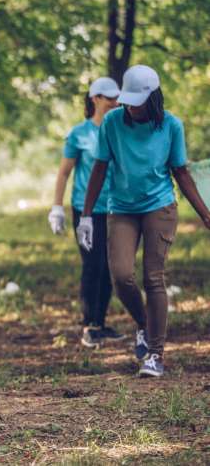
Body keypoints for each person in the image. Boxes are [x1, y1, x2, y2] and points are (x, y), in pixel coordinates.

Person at [77, 64, 210, 377]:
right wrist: (85, 215)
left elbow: (181, 172)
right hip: (121, 207)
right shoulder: (112, 122)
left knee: (153, 277)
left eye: (137, 101)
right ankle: (144, 326)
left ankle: (155, 354)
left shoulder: (171, 126)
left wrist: (205, 214)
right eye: (128, 100)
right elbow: (99, 168)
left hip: (159, 207)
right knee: (122, 275)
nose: (131, 107)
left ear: (153, 98)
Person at [48, 77, 125, 348]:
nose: (115, 102)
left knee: (111, 268)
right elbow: (64, 172)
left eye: (117, 97)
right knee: (93, 266)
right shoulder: (79, 134)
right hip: (86, 210)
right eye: (109, 97)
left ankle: (100, 324)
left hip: (116, 208)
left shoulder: (119, 129)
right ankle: (88, 325)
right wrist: (57, 207)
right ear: (95, 99)